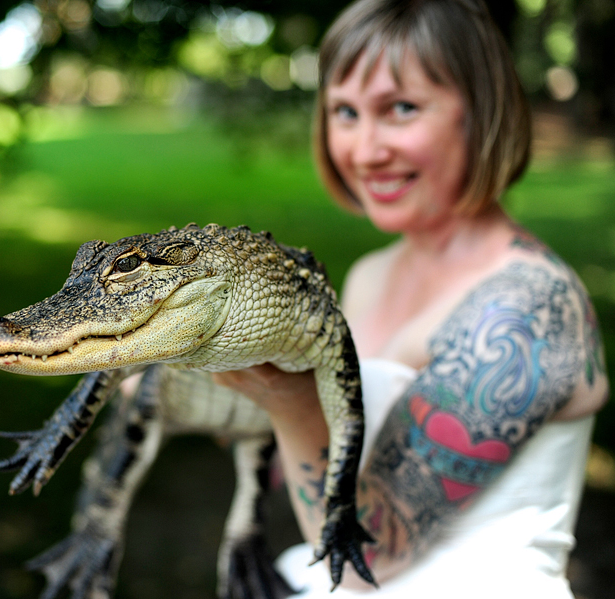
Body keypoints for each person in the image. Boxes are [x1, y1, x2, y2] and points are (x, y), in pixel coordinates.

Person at [212, 0, 609, 596]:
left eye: (400, 109)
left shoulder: (525, 307)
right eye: (345, 111)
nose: (366, 150)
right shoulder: (373, 272)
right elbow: (320, 452)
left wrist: (286, 398)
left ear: (481, 112)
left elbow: (375, 549)